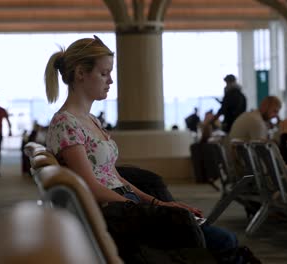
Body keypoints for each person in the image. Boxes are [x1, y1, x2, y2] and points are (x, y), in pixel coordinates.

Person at [44, 36, 256, 263]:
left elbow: (114, 177)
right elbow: (92, 187)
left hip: (124, 206)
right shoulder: (66, 123)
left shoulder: (90, 120)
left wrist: (157, 203)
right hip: (114, 214)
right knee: (224, 242)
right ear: (80, 73)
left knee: (219, 238)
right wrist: (153, 208)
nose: (111, 81)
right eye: (104, 73)